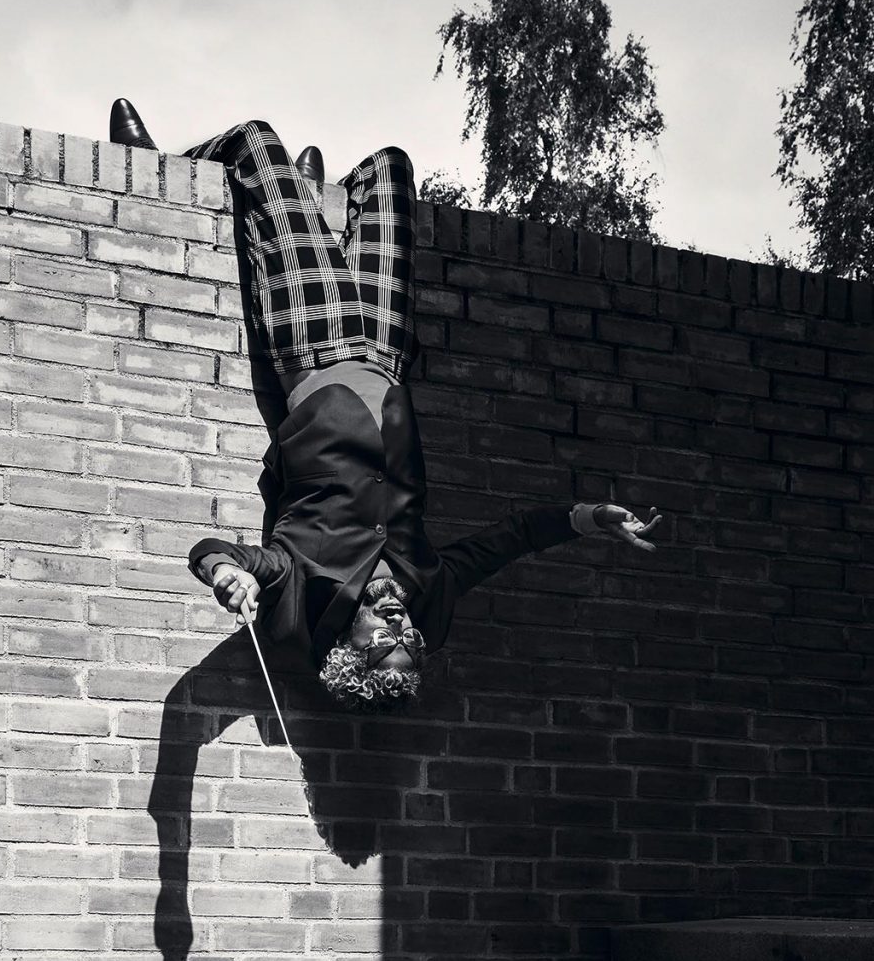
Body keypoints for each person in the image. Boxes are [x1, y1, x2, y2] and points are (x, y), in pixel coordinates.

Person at [107, 100, 663, 710]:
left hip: (312, 345)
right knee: (392, 169)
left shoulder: (299, 585)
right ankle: (317, 196)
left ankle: (158, 167)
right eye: (408, 640)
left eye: (382, 641)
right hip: (386, 350)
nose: (398, 626)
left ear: (347, 642)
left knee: (256, 142)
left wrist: (226, 575)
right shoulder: (430, 587)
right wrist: (589, 517)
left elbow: (214, 552)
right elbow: (513, 538)